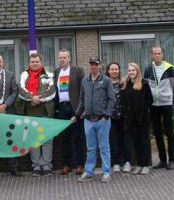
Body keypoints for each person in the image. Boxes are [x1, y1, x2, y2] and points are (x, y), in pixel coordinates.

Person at [73, 56, 115, 184]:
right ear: (89, 66)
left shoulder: (106, 80)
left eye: (96, 64)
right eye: (91, 64)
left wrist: (106, 115)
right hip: (88, 120)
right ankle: (89, 172)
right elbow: (81, 99)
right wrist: (77, 114)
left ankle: (106, 172)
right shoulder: (85, 80)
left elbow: (112, 99)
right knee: (90, 148)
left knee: (104, 147)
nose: (94, 67)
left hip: (102, 120)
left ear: (100, 66)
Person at [16, 53, 56, 176]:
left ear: (41, 62)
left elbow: (52, 92)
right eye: (32, 61)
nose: (35, 63)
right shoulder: (24, 75)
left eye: (37, 61)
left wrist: (38, 99)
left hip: (46, 113)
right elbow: (21, 90)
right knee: (33, 140)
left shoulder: (49, 75)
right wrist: (32, 98)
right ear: (29, 63)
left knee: (47, 140)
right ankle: (36, 166)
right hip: (30, 113)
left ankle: (47, 165)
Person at [142, 46, 174, 170]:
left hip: (166, 103)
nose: (157, 55)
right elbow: (145, 88)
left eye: (159, 53)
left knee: (169, 132)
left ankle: (172, 160)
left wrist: (173, 102)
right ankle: (162, 160)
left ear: (162, 54)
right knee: (157, 133)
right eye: (155, 53)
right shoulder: (148, 69)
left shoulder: (170, 69)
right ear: (152, 55)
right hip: (153, 105)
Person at [53, 48, 85, 175]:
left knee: (78, 137)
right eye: (60, 57)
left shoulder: (77, 70)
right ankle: (67, 164)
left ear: (69, 58)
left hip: (75, 108)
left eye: (64, 57)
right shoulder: (57, 72)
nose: (62, 60)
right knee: (64, 138)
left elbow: (83, 90)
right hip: (62, 108)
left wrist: (83, 109)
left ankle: (79, 164)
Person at [121, 63, 153, 175]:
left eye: (133, 70)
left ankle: (146, 165)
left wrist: (144, 113)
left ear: (137, 71)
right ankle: (139, 164)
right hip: (131, 120)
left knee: (144, 142)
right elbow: (124, 102)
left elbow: (150, 100)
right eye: (129, 70)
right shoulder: (126, 85)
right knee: (136, 142)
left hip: (142, 119)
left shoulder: (144, 84)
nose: (131, 72)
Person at [105, 62, 131, 173]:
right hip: (111, 117)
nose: (114, 71)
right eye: (112, 69)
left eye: (116, 69)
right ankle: (115, 163)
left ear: (119, 70)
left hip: (124, 116)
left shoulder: (124, 82)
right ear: (108, 71)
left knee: (125, 140)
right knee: (114, 140)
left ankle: (127, 162)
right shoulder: (105, 83)